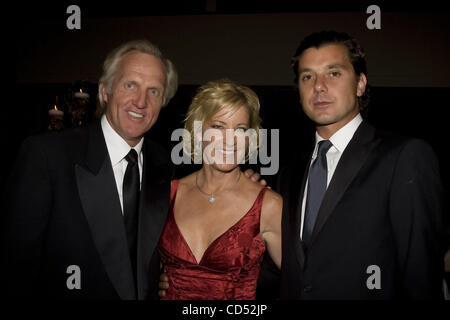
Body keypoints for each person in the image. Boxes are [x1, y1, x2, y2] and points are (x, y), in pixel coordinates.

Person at [2, 39, 178, 299]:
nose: (141, 101)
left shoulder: (164, 165)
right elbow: (14, 268)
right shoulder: (47, 156)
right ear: (105, 91)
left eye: (154, 91)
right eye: (130, 85)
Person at [278, 30, 446, 299]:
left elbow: (421, 274)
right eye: (307, 76)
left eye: (333, 73)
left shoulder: (405, 157)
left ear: (360, 84)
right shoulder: (289, 172)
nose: (318, 86)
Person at [157, 78, 282, 300]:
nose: (230, 140)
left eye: (241, 129)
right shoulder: (167, 194)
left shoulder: (269, 205)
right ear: (197, 132)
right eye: (218, 126)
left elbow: (305, 283)